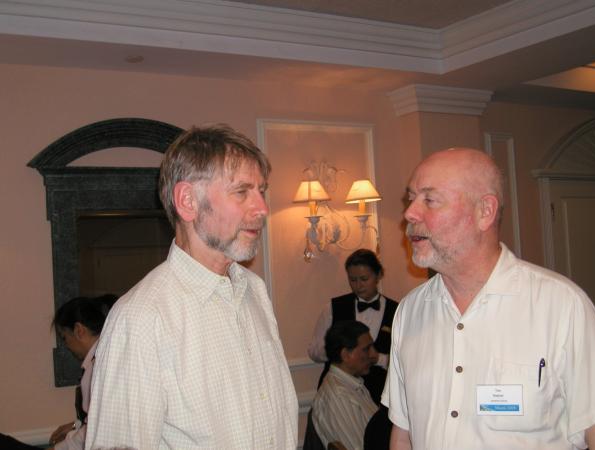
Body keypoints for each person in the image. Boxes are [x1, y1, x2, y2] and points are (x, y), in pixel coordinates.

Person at [85, 124, 298, 450]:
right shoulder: (141, 318)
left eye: (262, 191)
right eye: (242, 192)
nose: (262, 209)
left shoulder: (254, 290)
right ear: (187, 201)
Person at [382, 148, 595, 449]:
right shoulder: (410, 311)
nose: (410, 213)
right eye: (411, 198)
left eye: (429, 200)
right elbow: (403, 433)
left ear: (484, 211)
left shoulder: (563, 307)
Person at [0, 294, 116, 450]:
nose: (67, 346)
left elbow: (95, 430)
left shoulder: (97, 367)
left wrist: (58, 448)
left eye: (65, 338)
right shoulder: (105, 360)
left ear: (79, 330)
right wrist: (76, 425)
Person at [308, 249, 397, 404]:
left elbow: (404, 360)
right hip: (337, 394)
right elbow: (314, 351)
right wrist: (341, 354)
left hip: (380, 395)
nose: (358, 285)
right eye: (353, 280)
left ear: (378, 275)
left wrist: (379, 359)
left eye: (364, 279)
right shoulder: (333, 307)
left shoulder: (397, 311)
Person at [311, 320, 379, 450]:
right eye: (366, 349)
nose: (373, 355)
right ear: (346, 355)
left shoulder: (351, 384)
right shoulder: (338, 396)